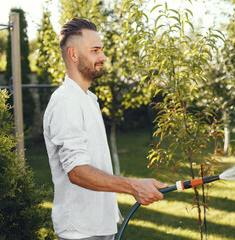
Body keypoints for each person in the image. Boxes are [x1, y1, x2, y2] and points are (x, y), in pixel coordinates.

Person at [43, 18, 166, 240]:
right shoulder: (66, 102)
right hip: (81, 231)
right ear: (73, 54)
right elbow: (76, 171)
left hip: (97, 226)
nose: (103, 57)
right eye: (95, 50)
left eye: (101, 50)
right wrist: (133, 186)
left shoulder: (87, 98)